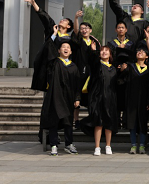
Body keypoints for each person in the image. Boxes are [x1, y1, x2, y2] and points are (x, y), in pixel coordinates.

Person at [38, 26, 81, 156]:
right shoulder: (54, 63)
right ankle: (54, 145)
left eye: (68, 47)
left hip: (68, 97)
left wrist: (77, 98)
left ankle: (69, 144)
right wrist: (54, 35)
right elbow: (47, 51)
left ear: (71, 52)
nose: (66, 49)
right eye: (63, 47)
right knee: (54, 122)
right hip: (54, 96)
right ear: (58, 50)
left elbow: (77, 85)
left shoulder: (74, 67)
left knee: (68, 122)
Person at [82, 42, 122, 155]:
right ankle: (97, 147)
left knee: (109, 122)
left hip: (110, 98)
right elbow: (92, 61)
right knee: (98, 122)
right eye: (102, 51)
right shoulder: (97, 66)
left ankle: (108, 146)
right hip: (98, 98)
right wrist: (94, 50)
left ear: (110, 54)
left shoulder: (113, 69)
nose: (104, 52)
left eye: (106, 51)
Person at [122, 42, 149, 154]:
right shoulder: (130, 67)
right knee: (132, 123)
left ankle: (142, 145)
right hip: (132, 99)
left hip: (144, 101)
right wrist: (122, 70)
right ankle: (133, 145)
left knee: (143, 123)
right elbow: (121, 80)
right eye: (138, 51)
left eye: (143, 52)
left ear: (147, 56)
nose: (140, 52)